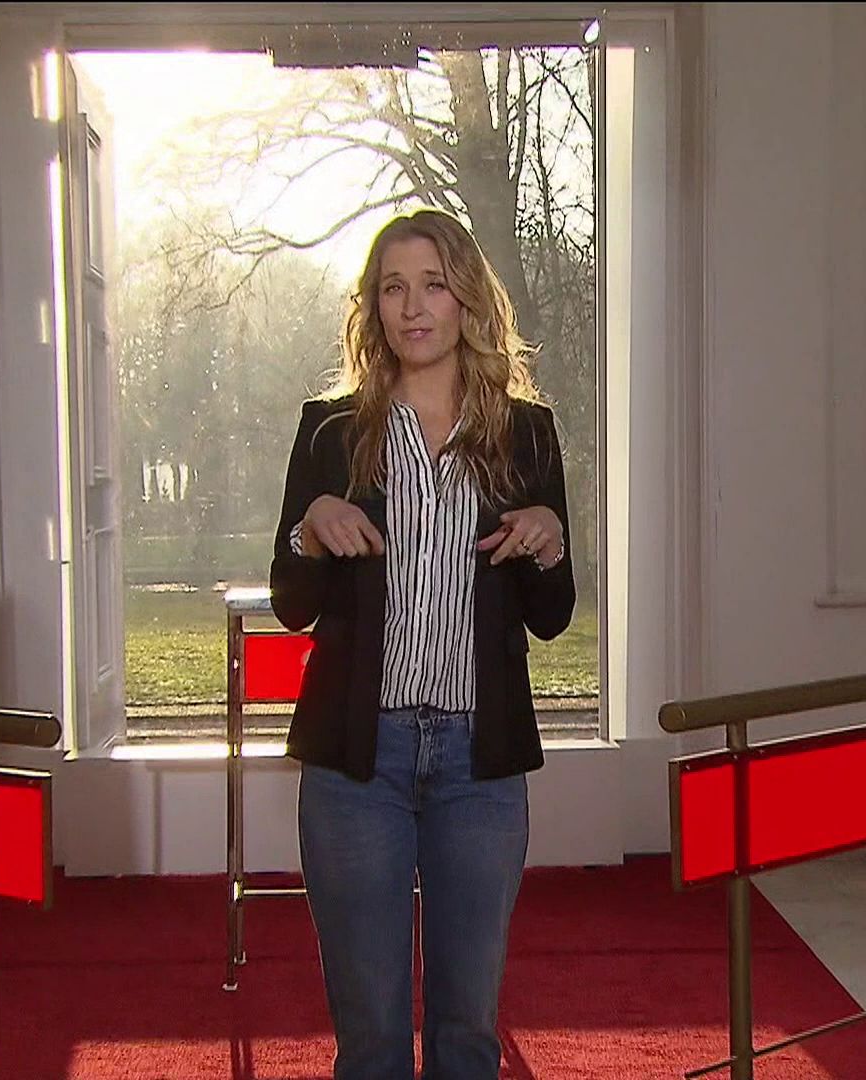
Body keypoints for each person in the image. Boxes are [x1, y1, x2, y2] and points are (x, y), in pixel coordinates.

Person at [268, 207, 575, 1080]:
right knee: (370, 1037)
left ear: (467, 299)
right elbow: (292, 604)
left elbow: (552, 614)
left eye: (434, 285)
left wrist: (550, 540)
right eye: (393, 288)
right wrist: (309, 530)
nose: (413, 307)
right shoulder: (330, 432)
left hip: (481, 766)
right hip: (356, 764)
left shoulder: (526, 433)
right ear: (373, 307)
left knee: (467, 1032)